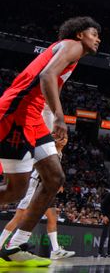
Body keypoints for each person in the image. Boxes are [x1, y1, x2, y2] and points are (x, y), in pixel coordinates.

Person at [0, 17, 101, 266]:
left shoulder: (69, 53)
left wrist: (50, 118)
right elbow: (47, 76)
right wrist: (59, 117)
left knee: (55, 179)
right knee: (15, 190)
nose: (98, 38)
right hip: (17, 113)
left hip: (33, 116)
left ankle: (14, 246)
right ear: (79, 34)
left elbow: (46, 85)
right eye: (93, 33)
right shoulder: (72, 46)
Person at [0, 109, 75, 260]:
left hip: (43, 187)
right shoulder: (40, 142)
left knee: (52, 217)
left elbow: (53, 171)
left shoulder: (52, 149)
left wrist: (59, 149)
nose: (62, 138)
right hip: (33, 184)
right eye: (58, 136)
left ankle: (55, 250)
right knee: (19, 217)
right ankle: (2, 244)